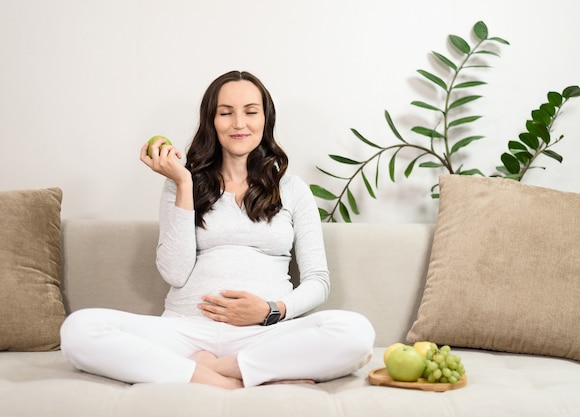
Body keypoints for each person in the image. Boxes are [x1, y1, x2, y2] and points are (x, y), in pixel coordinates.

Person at [60, 70, 375, 389]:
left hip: (266, 333)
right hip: (186, 331)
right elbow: (174, 273)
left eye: (251, 112)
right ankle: (233, 381)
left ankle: (217, 368)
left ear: (265, 119)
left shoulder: (292, 189)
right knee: (79, 329)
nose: (239, 124)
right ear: (211, 121)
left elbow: (318, 281)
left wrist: (269, 310)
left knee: (356, 331)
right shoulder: (179, 184)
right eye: (226, 113)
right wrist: (183, 182)